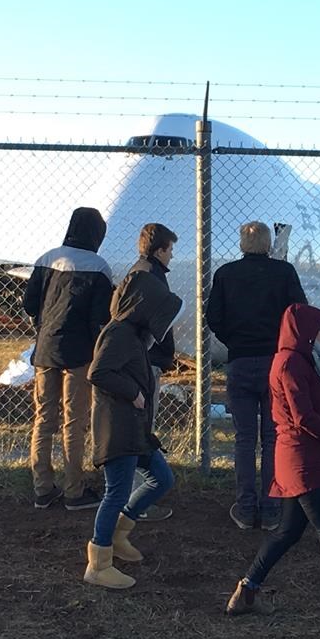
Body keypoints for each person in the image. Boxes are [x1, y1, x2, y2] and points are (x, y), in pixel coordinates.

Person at [224, 304, 320, 634]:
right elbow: (302, 415)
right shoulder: (291, 363)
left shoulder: (296, 360)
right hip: (304, 461)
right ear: (307, 332)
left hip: (298, 459)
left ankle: (247, 592)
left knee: (288, 531)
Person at [83, 270, 183, 589]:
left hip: (134, 429)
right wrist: (134, 393)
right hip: (117, 428)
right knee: (116, 492)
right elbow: (98, 372)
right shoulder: (119, 334)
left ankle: (118, 535)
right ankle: (98, 563)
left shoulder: (132, 334)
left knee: (162, 478)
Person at [207, 221, 307, 531]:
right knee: (273, 437)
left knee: (244, 438)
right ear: (268, 244)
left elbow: (214, 317)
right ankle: (272, 506)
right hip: (274, 361)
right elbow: (299, 312)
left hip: (240, 360)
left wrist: (234, 340)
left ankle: (246, 507)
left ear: (242, 244)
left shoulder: (225, 274)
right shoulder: (284, 273)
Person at [23, 207, 112, 511]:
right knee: (74, 422)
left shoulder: (47, 258)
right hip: (79, 353)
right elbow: (100, 317)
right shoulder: (99, 267)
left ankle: (42, 489)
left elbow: (29, 303)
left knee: (44, 418)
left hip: (45, 348)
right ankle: (74, 490)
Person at [124, 223, 179, 522]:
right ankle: (136, 500)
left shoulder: (141, 271)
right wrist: (160, 352)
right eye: (170, 250)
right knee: (141, 428)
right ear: (159, 250)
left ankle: (134, 496)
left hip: (143, 359)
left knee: (140, 426)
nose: (172, 256)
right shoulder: (150, 276)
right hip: (145, 360)